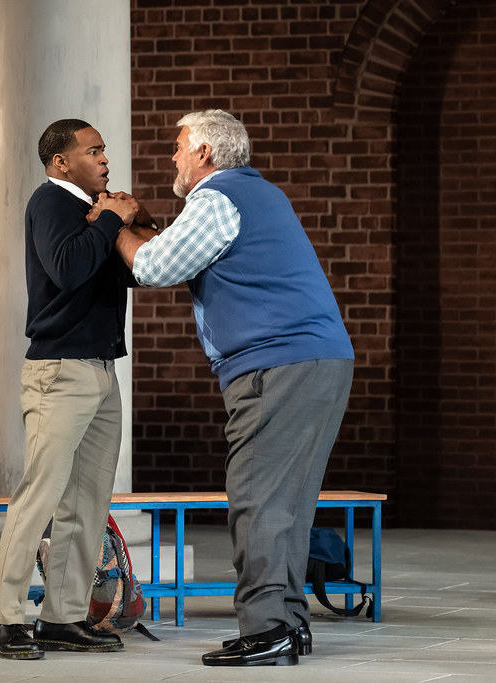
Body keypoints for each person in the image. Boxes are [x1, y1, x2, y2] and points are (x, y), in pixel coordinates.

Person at [115, 109, 354, 667]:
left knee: (258, 501)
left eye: (178, 147)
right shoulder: (258, 193)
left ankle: (268, 629)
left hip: (279, 368)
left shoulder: (216, 197)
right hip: (317, 361)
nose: (172, 156)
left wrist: (116, 224)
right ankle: (288, 628)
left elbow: (153, 265)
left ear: (204, 153)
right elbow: (183, 250)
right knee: (287, 505)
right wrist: (146, 223)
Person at [0, 119, 141, 660]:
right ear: (61, 162)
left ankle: (63, 617)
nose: (104, 159)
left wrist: (125, 222)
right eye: (93, 151)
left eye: (104, 150)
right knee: (40, 497)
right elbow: (68, 269)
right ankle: (5, 619)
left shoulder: (93, 213)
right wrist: (105, 222)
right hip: (60, 370)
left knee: (88, 502)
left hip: (101, 370)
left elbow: (132, 274)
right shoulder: (51, 201)